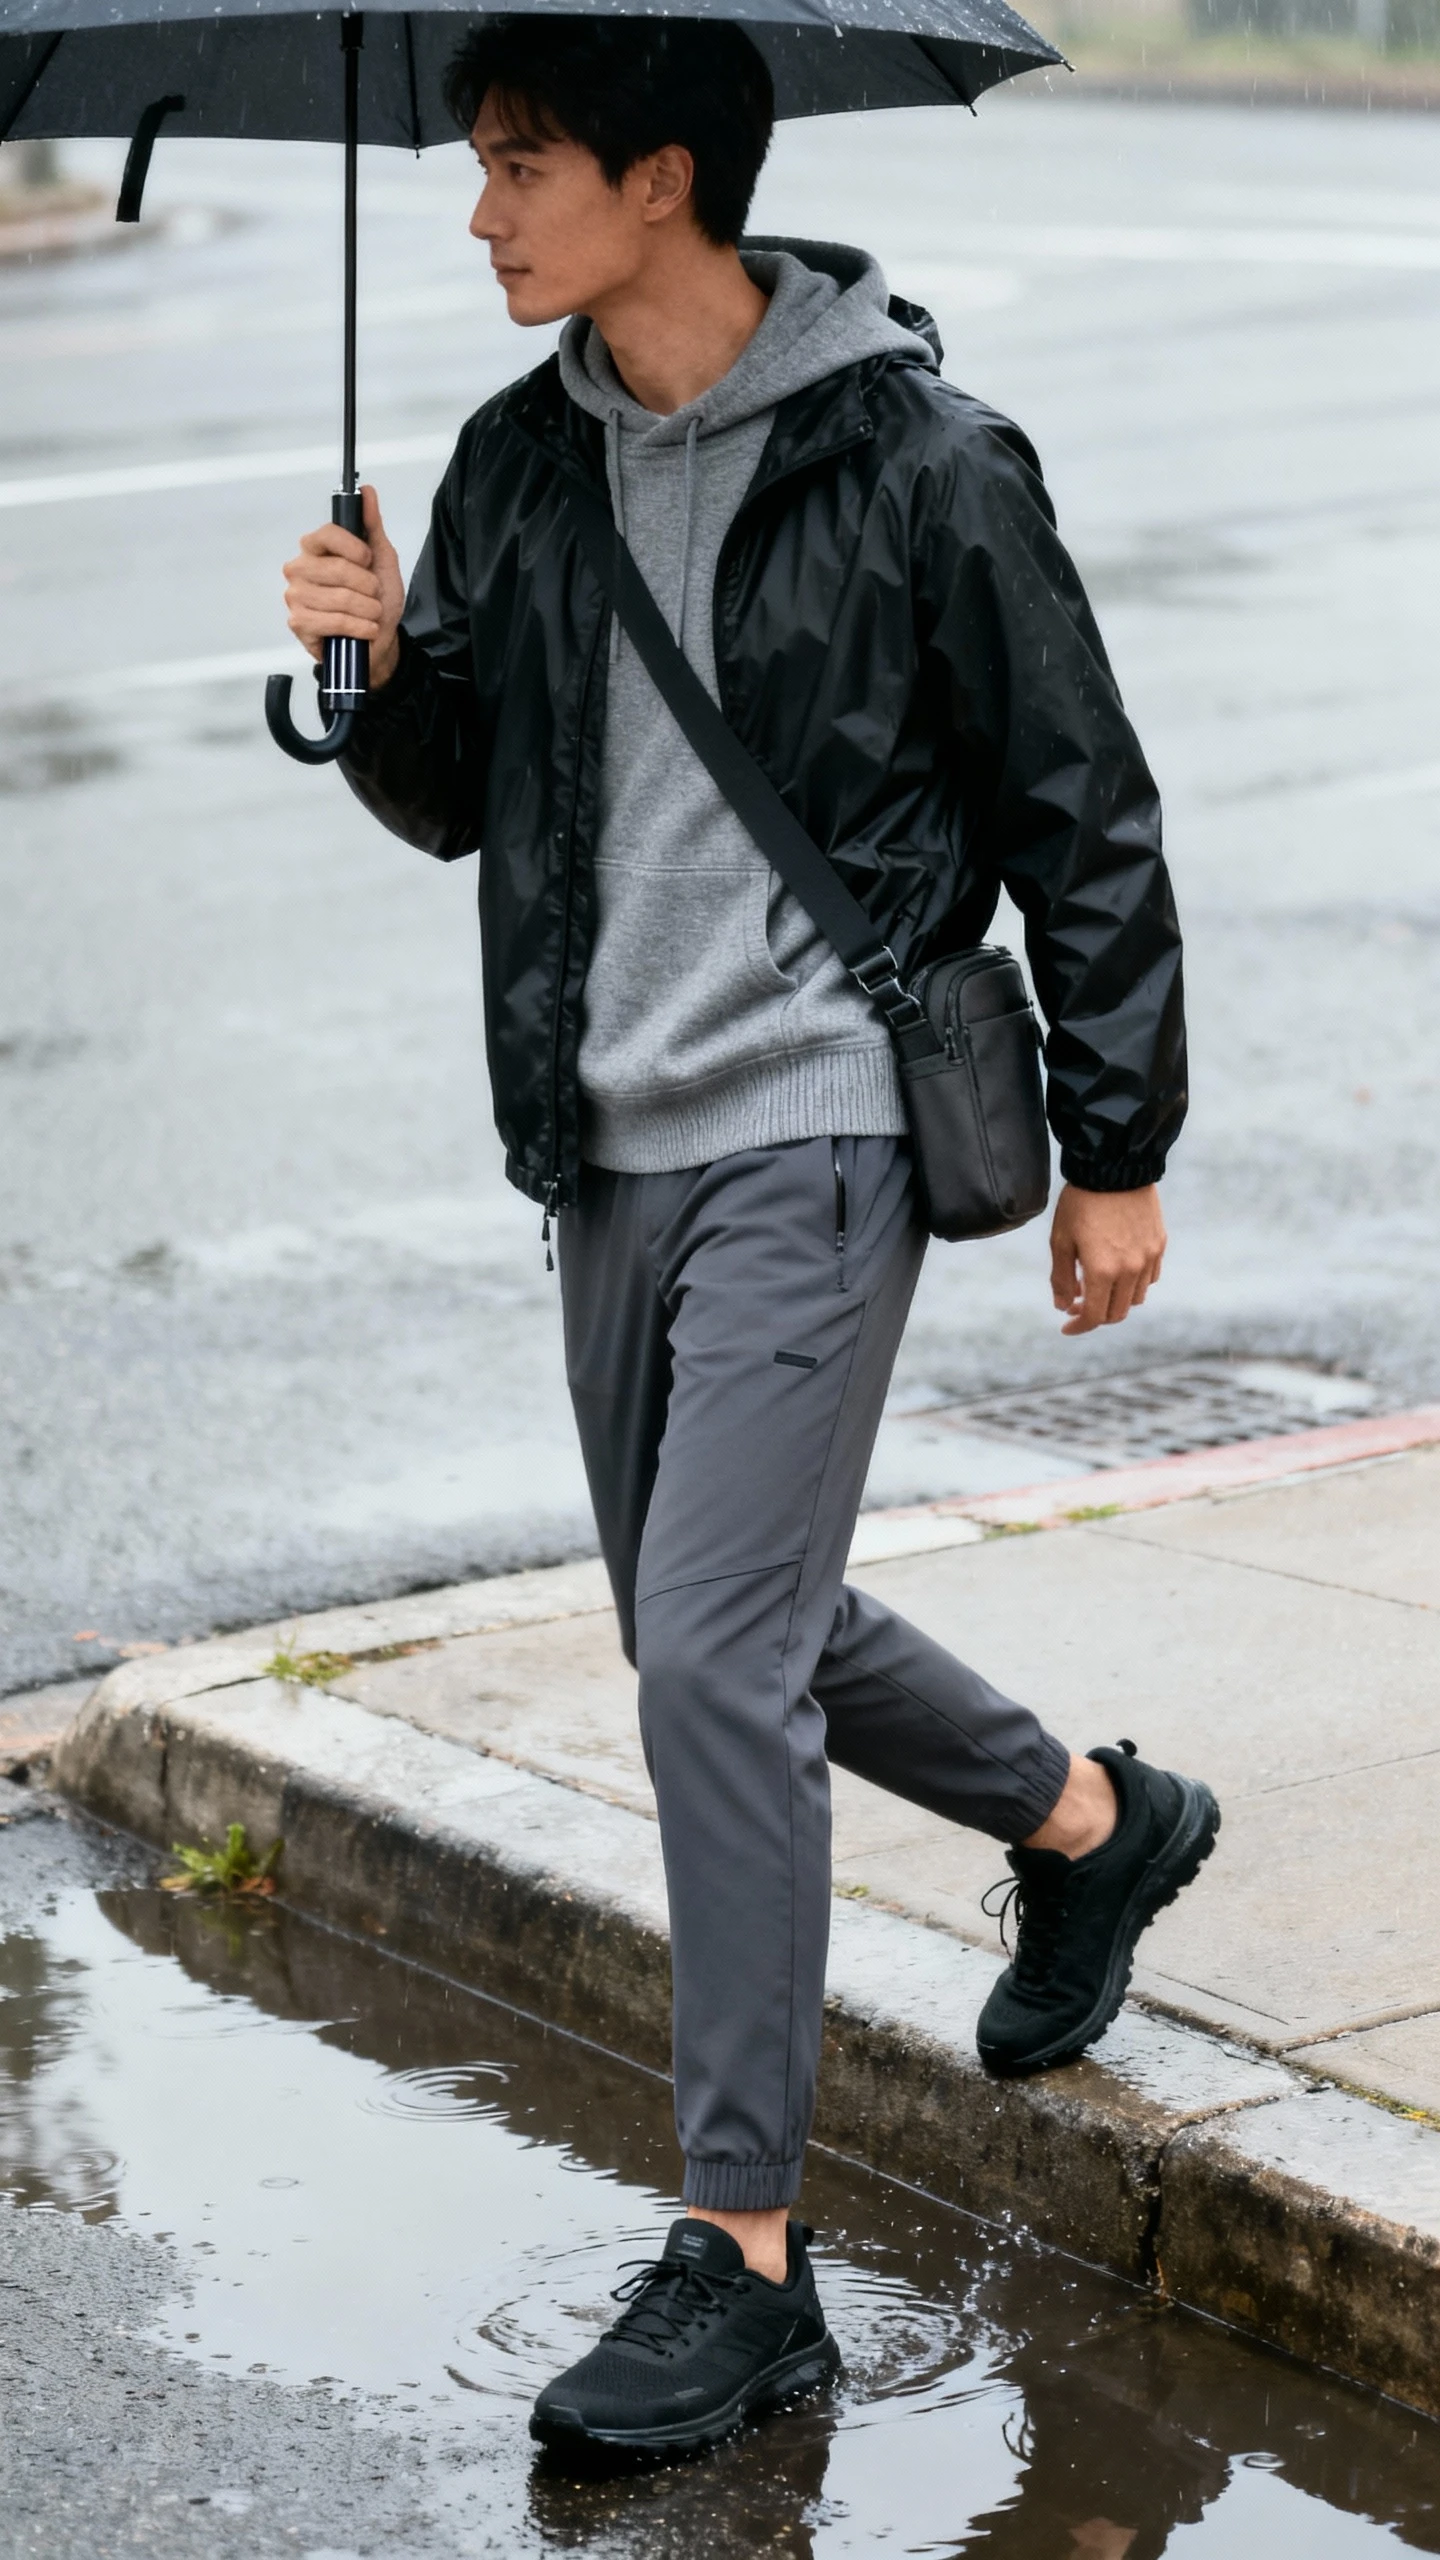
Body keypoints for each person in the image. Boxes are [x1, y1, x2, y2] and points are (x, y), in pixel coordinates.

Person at [281, 13, 1219, 2459]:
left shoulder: (921, 458)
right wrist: (365, 662)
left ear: (665, 180)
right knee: (741, 1626)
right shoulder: (513, 463)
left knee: (707, 1656)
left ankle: (743, 2255)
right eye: (477, 166)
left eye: (523, 165)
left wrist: (1114, 1146)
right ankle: (1097, 1830)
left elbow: (1078, 803)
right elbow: (466, 793)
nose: (481, 210)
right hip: (608, 1143)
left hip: (822, 1121)